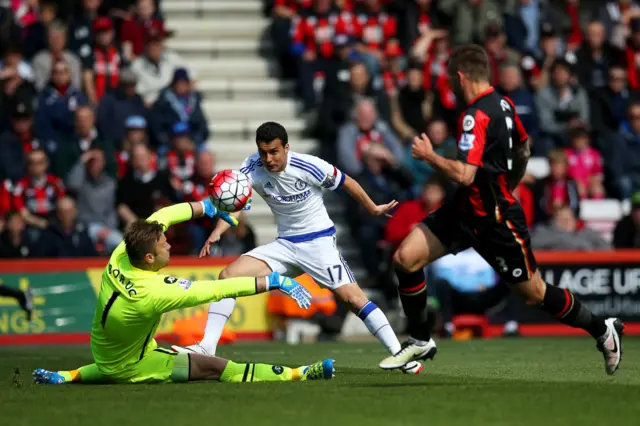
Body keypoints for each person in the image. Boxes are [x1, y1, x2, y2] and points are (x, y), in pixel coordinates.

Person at [378, 45, 623, 376]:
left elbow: (465, 173)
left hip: (496, 222)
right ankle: (420, 338)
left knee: (534, 294)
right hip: (465, 212)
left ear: (461, 76)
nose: (450, 85)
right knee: (405, 260)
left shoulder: (475, 115)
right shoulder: (505, 104)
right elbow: (523, 147)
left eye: (452, 79)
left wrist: (430, 155)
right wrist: (512, 181)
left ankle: (601, 329)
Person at [171, 121, 424, 375]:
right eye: (263, 152)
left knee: (354, 299)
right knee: (227, 277)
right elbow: (239, 199)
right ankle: (207, 347)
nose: (268, 159)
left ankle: (400, 355)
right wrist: (219, 230)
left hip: (318, 243)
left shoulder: (309, 165)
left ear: (287, 148)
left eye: (274, 152)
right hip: (285, 245)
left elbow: (347, 182)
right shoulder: (251, 166)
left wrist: (372, 208)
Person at [32, 199, 332, 385]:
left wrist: (209, 207)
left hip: (105, 350)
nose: (169, 245)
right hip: (133, 364)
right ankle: (300, 374)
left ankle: (67, 376)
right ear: (149, 258)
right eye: (164, 244)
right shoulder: (153, 292)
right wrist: (275, 281)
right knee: (217, 368)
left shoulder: (123, 253)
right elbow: (218, 289)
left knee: (113, 364)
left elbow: (164, 214)